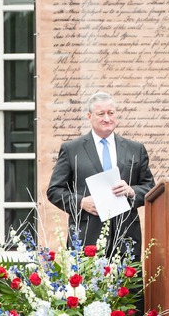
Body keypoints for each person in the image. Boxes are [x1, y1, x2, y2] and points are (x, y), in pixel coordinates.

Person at [46, 92, 154, 312]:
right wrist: (80, 202)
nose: (107, 118)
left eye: (111, 113)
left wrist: (132, 191)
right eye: (101, 113)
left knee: (129, 298)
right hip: (87, 235)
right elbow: (54, 190)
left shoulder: (135, 149)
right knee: (88, 297)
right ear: (89, 116)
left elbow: (150, 188)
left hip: (126, 234)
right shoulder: (72, 149)